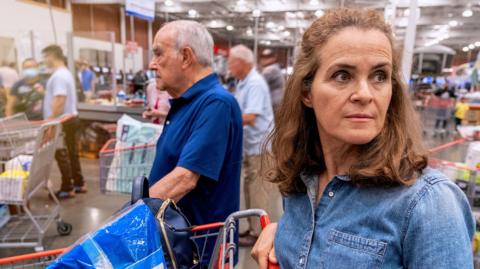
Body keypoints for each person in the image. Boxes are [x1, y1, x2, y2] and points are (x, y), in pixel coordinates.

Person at [252, 8, 474, 269]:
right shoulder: (302, 181)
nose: (365, 94)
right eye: (342, 75)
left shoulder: (429, 203)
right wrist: (284, 235)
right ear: (306, 92)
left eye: (379, 76)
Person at [147, 20, 243, 266]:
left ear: (186, 56)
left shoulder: (216, 104)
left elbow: (184, 179)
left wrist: (127, 219)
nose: (152, 64)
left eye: (158, 53)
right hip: (178, 243)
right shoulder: (187, 102)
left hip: (198, 251)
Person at [228, 45, 282, 247]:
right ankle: (252, 228)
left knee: (259, 190)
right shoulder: (243, 84)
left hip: (261, 148)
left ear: (241, 62)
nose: (229, 66)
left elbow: (250, 117)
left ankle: (259, 234)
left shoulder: (255, 83)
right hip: (251, 147)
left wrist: (222, 122)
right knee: (251, 188)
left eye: (231, 62)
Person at [42, 45, 86, 199]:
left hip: (62, 121)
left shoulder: (59, 75)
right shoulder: (66, 73)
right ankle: (79, 183)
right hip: (70, 119)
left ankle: (67, 187)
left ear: (51, 56)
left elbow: (60, 99)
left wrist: (51, 123)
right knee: (72, 153)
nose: (44, 60)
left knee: (62, 154)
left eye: (45, 56)